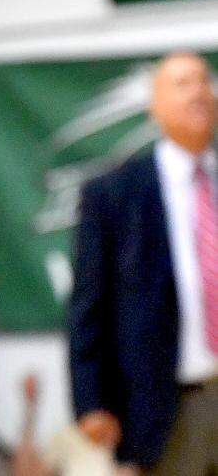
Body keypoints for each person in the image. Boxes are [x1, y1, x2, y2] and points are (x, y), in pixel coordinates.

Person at [68, 51, 218, 474]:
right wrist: (91, 400)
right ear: (154, 106)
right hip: (162, 404)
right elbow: (87, 305)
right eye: (182, 83)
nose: (198, 93)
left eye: (204, 81)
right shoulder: (115, 192)